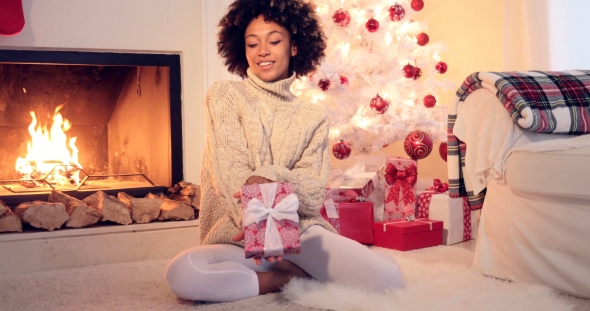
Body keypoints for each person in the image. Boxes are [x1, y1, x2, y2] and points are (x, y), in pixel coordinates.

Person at [165, 0, 404, 302]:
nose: (262, 50)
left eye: (274, 41)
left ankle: (308, 266)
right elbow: (230, 175)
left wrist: (268, 178)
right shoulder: (224, 95)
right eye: (252, 44)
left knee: (388, 280)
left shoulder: (313, 116)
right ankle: (286, 277)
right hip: (237, 232)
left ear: (294, 47)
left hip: (299, 230)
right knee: (184, 273)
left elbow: (312, 190)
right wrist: (260, 217)